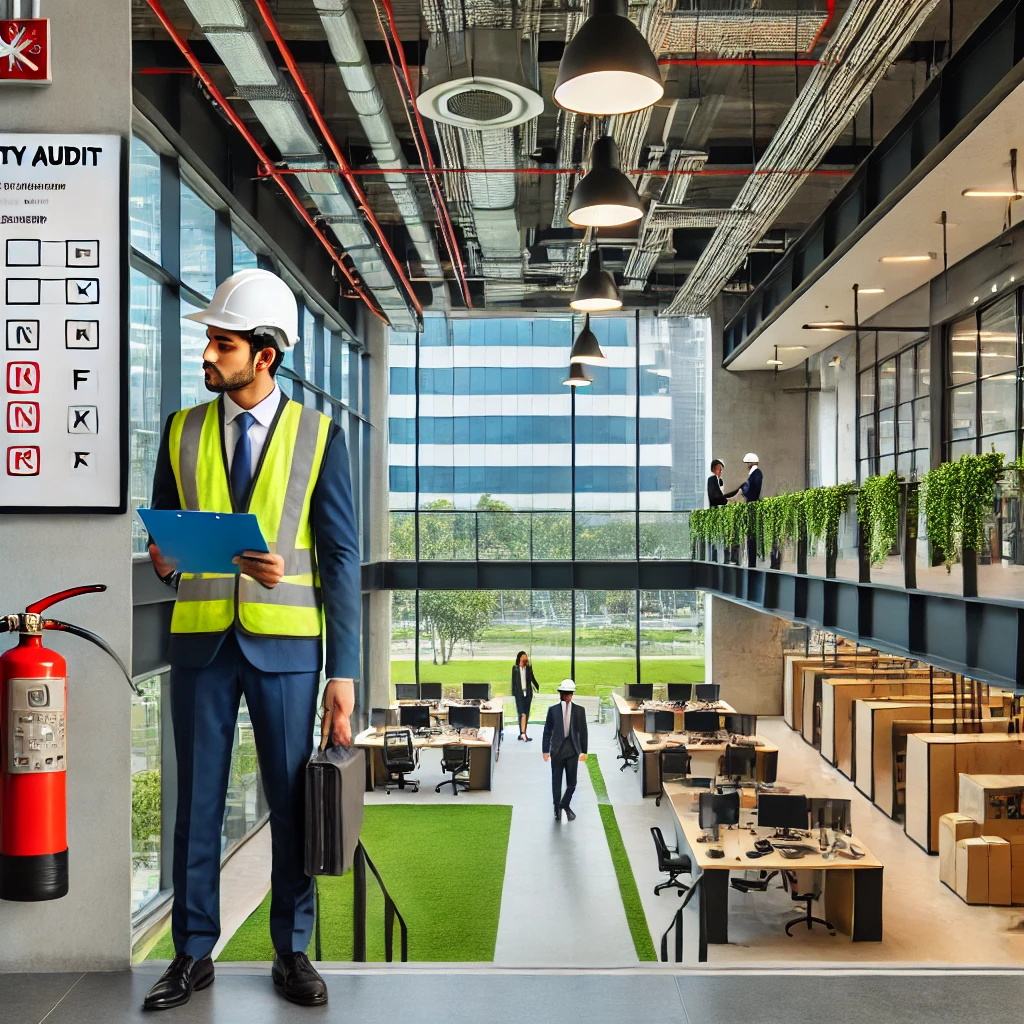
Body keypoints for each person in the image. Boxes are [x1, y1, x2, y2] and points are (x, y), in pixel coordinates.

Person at [142, 269, 360, 1012]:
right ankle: (191, 954)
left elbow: (338, 559)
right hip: (202, 641)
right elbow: (166, 542)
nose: (209, 352)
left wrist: (345, 672)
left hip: (288, 646)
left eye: (222, 341)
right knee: (196, 805)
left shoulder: (320, 437)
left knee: (293, 803)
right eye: (209, 339)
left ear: (264, 354)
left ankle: (291, 951)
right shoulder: (181, 430)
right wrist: (166, 563)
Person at [542, 679, 588, 822]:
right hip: (557, 751)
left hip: (572, 751)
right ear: (560, 694)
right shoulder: (553, 710)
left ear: (572, 694)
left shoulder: (579, 711)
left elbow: (583, 731)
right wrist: (545, 750)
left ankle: (564, 804)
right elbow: (547, 731)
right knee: (556, 782)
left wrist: (584, 750)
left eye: (568, 694)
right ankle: (557, 808)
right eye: (564, 693)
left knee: (572, 783)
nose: (567, 696)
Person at [511, 651, 539, 741]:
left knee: (526, 713)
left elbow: (532, 678)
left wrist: (537, 686)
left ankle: (523, 733)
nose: (525, 658)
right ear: (519, 658)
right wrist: (514, 693)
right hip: (519, 694)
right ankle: (522, 734)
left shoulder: (528, 668)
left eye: (526, 656)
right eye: (523, 656)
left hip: (528, 693)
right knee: (521, 713)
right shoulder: (515, 668)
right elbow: (513, 682)